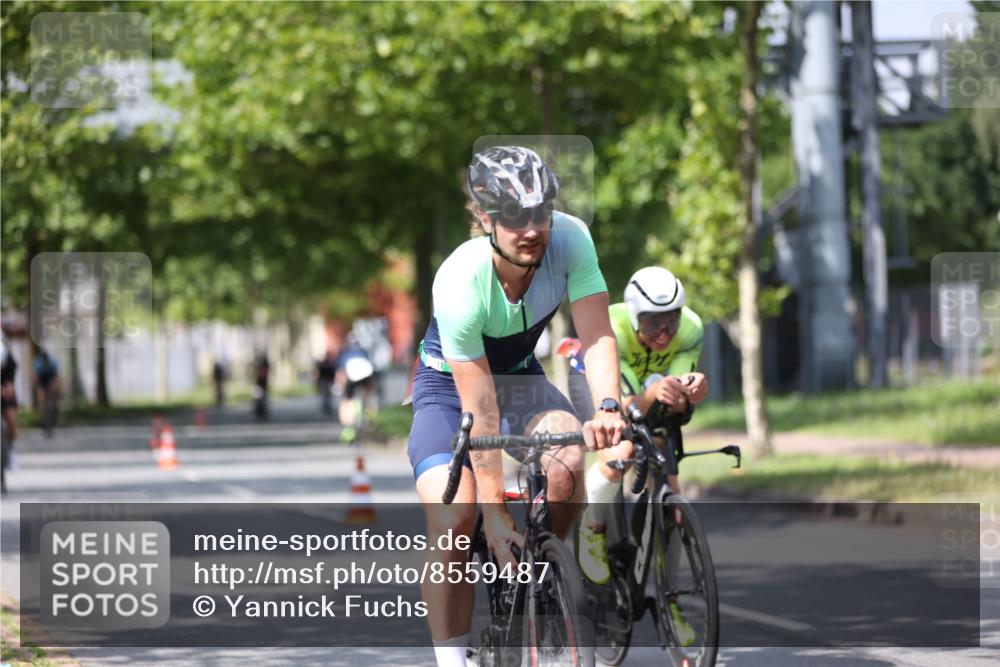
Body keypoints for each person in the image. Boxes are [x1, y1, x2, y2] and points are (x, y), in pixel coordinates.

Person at [407, 146, 626, 667]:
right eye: (513, 216)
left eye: (540, 212)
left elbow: (595, 333)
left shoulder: (571, 238)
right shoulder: (460, 281)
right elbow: (478, 406)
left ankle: (544, 578)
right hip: (449, 389)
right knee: (455, 517)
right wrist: (493, 510)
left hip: (521, 378)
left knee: (568, 463)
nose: (531, 228)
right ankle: (452, 660)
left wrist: (610, 407)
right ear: (484, 217)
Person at [577, 266, 710, 585]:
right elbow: (621, 406)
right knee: (620, 451)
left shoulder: (691, 328)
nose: (665, 331)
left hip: (648, 386)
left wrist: (691, 392)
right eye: (653, 321)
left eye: (672, 319)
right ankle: (592, 527)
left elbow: (676, 399)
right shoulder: (614, 327)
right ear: (635, 316)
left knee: (669, 485)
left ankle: (671, 595)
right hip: (602, 391)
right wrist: (652, 393)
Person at [334, 335, 374, 442]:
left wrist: (339, 386)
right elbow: (370, 368)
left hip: (352, 375)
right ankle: (366, 410)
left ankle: (348, 430)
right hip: (366, 372)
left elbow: (341, 372)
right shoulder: (364, 351)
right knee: (367, 391)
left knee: (346, 401)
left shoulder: (345, 353)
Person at [1, 338, 19, 494]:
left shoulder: (5, 350)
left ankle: (10, 451)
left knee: (11, 421)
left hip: (5, 390)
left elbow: (13, 369)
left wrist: (9, 384)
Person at [33, 348, 60, 437]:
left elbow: (56, 377)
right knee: (42, 402)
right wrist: (37, 389)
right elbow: (36, 377)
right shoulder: (38, 362)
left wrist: (55, 389)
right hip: (42, 383)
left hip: (49, 382)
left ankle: (52, 418)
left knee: (51, 403)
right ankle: (43, 418)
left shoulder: (52, 363)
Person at [315, 350, 338, 417]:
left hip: (326, 382)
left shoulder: (329, 364)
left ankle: (327, 408)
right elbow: (318, 374)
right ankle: (326, 408)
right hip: (324, 382)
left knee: (327, 396)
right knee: (326, 396)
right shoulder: (326, 364)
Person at [252, 354, 269, 421]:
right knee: (259, 398)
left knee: (262, 398)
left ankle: (262, 411)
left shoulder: (264, 366)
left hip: (263, 383)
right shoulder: (259, 367)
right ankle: (259, 411)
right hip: (259, 383)